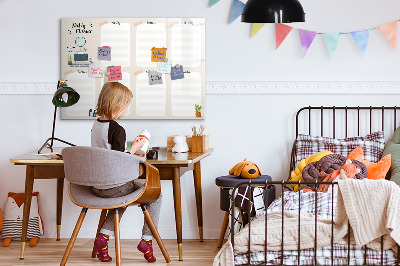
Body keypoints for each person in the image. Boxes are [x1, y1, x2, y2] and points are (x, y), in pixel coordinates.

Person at [91, 82, 161, 263]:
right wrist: (136, 148)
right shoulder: (117, 129)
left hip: (97, 186)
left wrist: (131, 149)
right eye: (126, 105)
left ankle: (103, 238)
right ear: (117, 105)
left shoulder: (96, 125)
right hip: (114, 186)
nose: (126, 109)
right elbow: (119, 161)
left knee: (121, 197)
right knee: (156, 194)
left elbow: (108, 154)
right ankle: (147, 240)